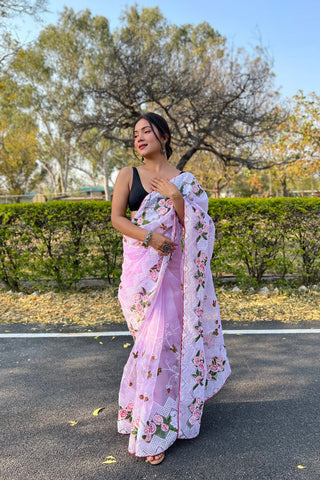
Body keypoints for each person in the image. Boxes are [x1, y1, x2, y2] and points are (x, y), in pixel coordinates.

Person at [111, 112, 231, 465]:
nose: (139, 137)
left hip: (178, 278)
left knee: (169, 346)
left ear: (163, 136)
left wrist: (176, 197)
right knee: (154, 348)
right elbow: (118, 219)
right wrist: (151, 237)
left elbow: (200, 227)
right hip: (145, 274)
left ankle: (156, 431)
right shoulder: (128, 175)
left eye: (146, 131)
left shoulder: (186, 181)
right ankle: (158, 416)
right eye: (135, 133)